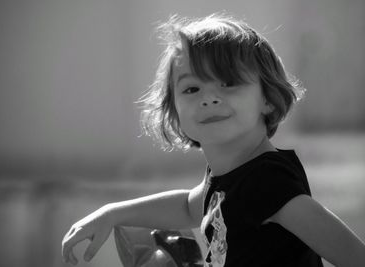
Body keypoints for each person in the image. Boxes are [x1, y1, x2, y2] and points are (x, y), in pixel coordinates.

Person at [62, 13, 365, 266]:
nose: (209, 98)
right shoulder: (228, 177)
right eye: (192, 89)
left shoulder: (269, 182)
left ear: (268, 99)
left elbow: (353, 255)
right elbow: (186, 206)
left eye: (228, 83)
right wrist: (111, 213)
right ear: (174, 111)